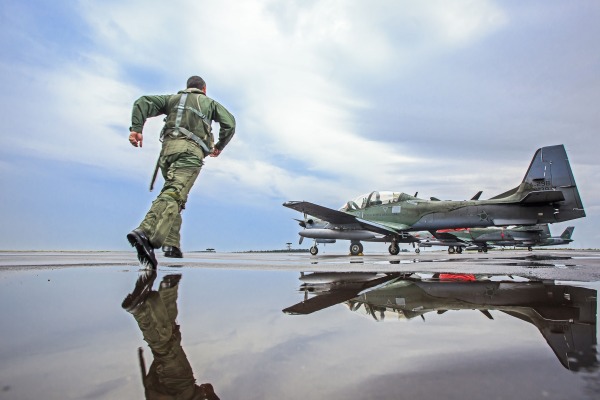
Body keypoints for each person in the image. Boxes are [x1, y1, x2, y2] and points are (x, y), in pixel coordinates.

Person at [127, 76, 235, 269]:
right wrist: (219, 146)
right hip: (189, 153)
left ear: (188, 87)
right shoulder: (209, 103)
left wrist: (136, 129)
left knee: (175, 193)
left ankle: (171, 244)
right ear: (204, 89)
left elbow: (143, 102)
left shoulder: (172, 100)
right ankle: (146, 231)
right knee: (175, 192)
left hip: (167, 154)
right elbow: (230, 123)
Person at [122, 272, 220, 400]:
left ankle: (141, 311)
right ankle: (168, 288)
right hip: (159, 390)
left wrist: (210, 395)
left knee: (166, 349)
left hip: (181, 390)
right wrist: (210, 394)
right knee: (170, 341)